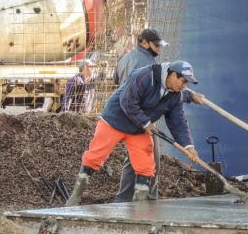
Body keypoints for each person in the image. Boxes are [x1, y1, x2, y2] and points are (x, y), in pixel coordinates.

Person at [65, 60, 201, 206]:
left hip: (138, 129)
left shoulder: (175, 94)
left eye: (187, 83)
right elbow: (127, 101)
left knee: (146, 166)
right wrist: (146, 123)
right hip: (115, 120)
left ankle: (140, 206)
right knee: (95, 156)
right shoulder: (145, 75)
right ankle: (75, 196)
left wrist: (188, 146)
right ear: (173, 74)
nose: (184, 86)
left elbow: (178, 122)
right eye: (183, 81)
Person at [113, 28, 204, 201]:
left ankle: (124, 200)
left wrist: (188, 95)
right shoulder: (146, 64)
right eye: (156, 46)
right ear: (143, 43)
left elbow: (117, 81)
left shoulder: (124, 59)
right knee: (150, 159)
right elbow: (155, 91)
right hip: (139, 117)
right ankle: (148, 200)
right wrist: (189, 96)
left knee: (134, 160)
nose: (159, 50)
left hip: (127, 114)